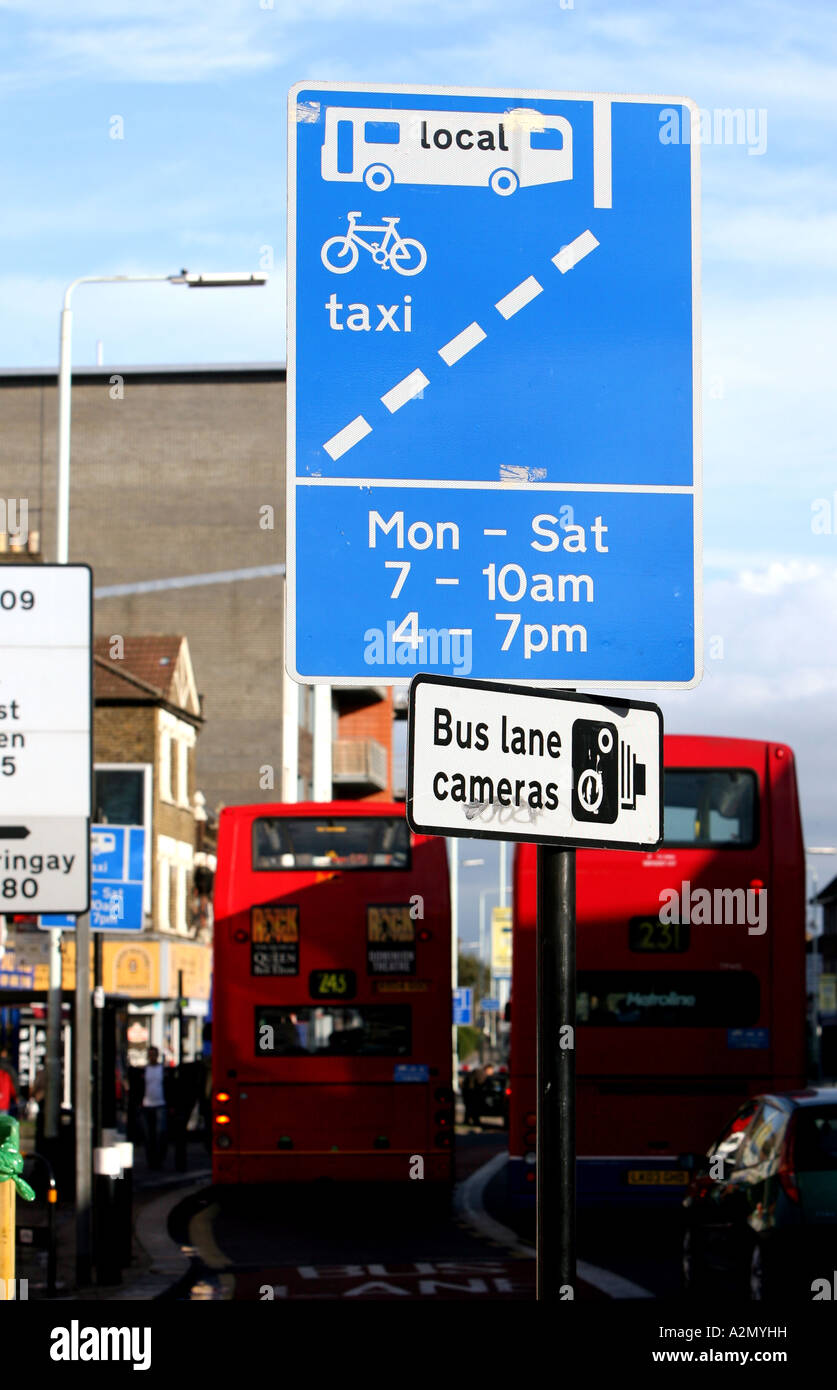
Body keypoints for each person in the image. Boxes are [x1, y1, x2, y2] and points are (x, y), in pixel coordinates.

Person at [141, 1047, 169, 1169]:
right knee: (148, 1136)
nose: (152, 1057)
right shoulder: (144, 1070)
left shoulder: (162, 1070)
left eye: (154, 1055)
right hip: (147, 1105)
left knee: (160, 1134)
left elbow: (168, 1086)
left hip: (160, 1104)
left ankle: (159, 1161)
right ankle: (151, 1161)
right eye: (150, 1055)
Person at [0, 1046, 18, 1116]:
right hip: (4, 1102)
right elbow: (13, 1086)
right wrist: (17, 1096)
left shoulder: (7, 1073)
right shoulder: (8, 1072)